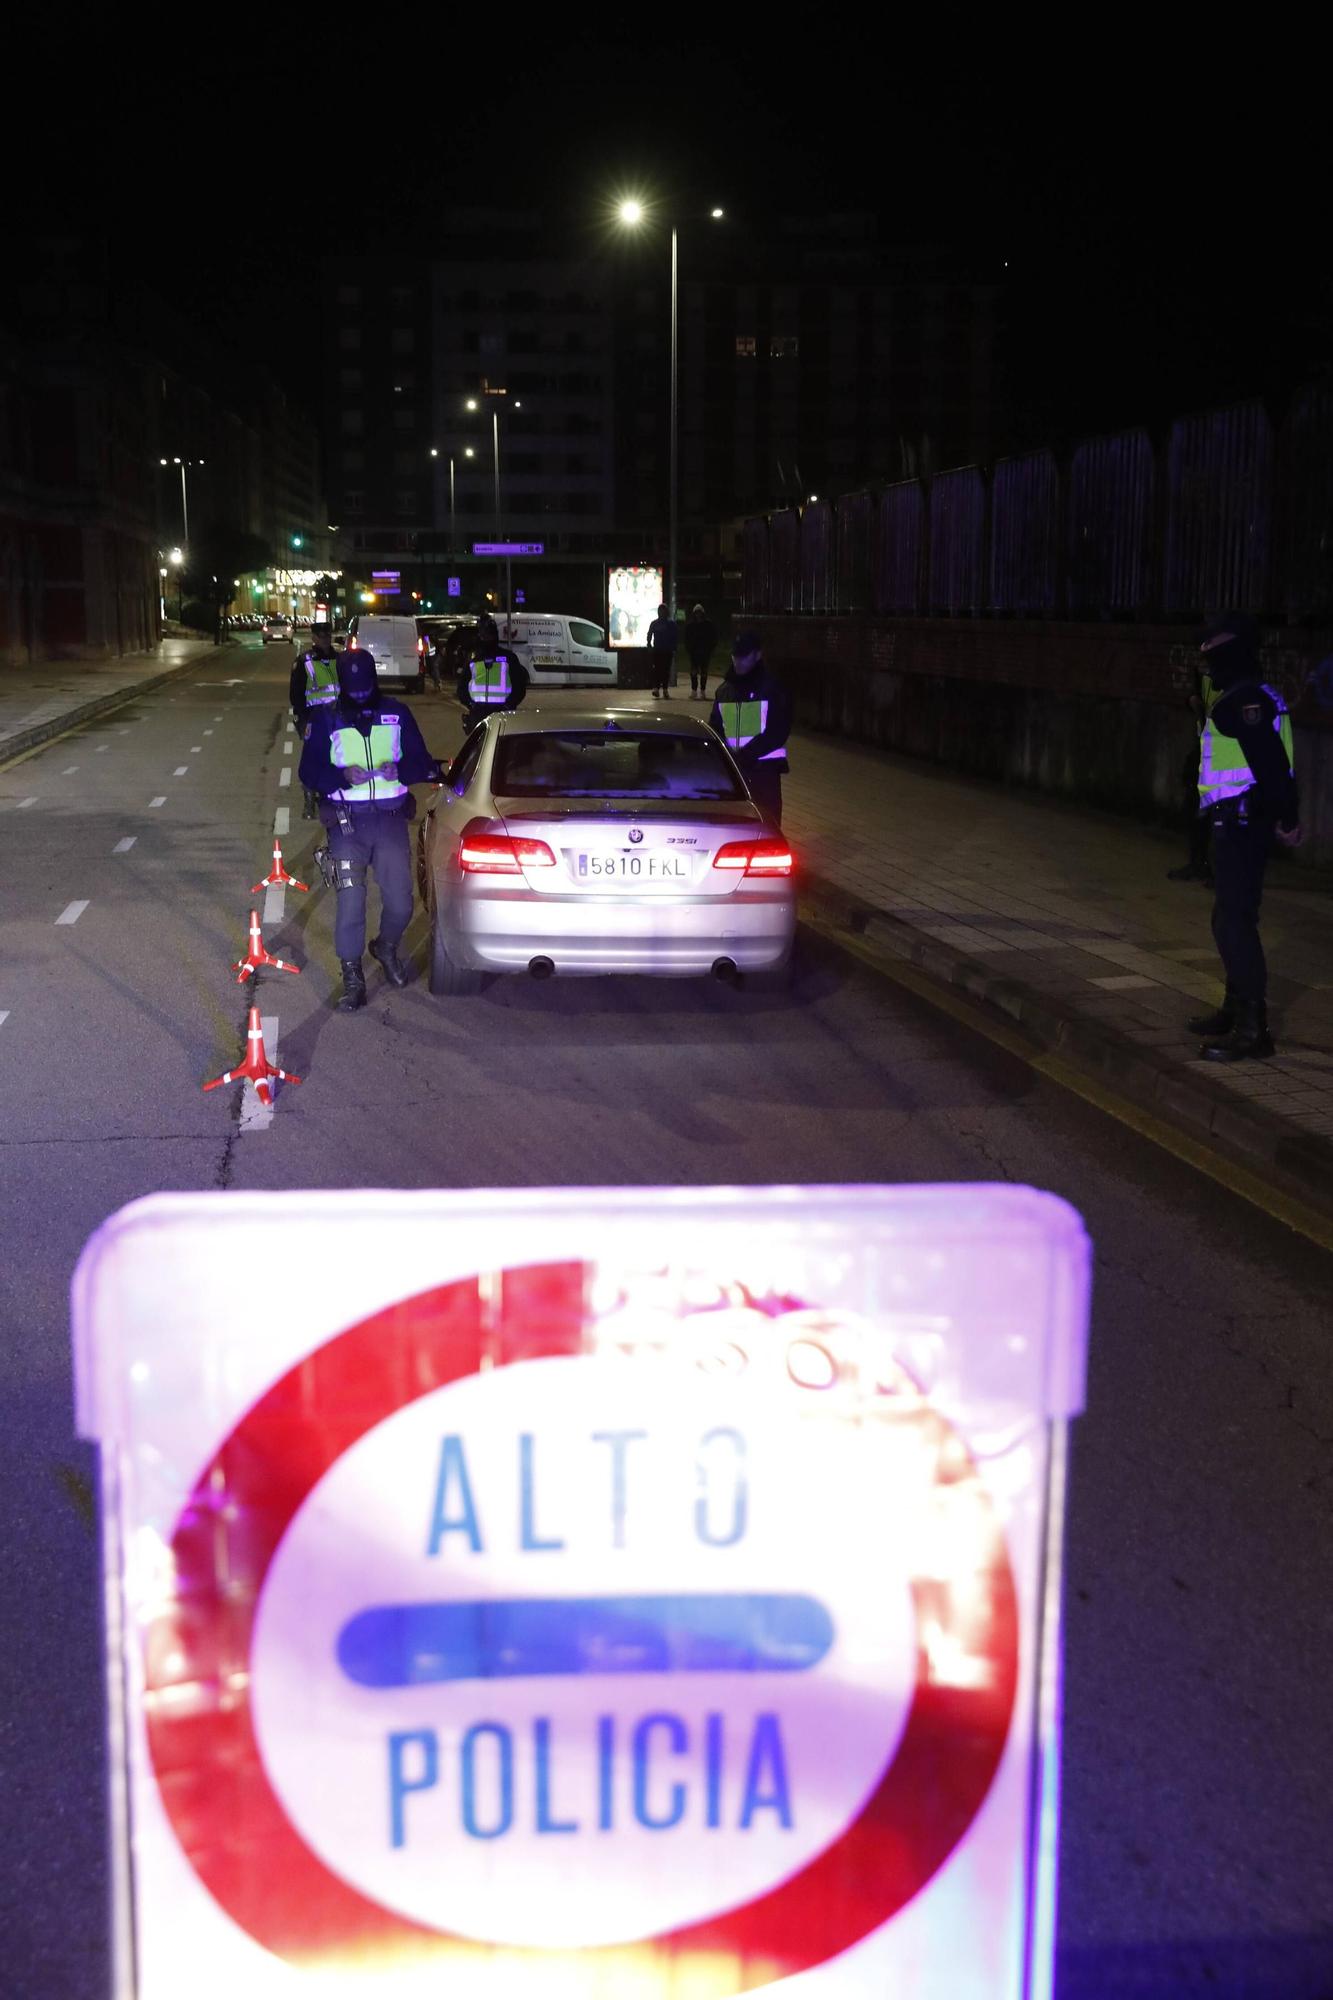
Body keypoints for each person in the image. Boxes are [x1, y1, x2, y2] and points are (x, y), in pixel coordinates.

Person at [298, 645, 443, 1012]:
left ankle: (386, 947)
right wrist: (340, 776)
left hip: (390, 820)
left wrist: (403, 770)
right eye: (354, 690)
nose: (361, 696)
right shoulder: (326, 718)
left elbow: (421, 762)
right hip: (347, 825)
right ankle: (352, 973)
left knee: (400, 902)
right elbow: (308, 772)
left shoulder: (397, 713)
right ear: (344, 686)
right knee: (351, 903)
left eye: (367, 689)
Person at [1184, 613, 1301, 1062]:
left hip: (1243, 822)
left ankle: (1254, 1030)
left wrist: (1287, 817)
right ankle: (1235, 1010)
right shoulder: (1251, 694)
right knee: (1228, 918)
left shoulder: (1244, 700)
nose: (1206, 655)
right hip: (1238, 821)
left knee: (1235, 922)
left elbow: (1272, 765)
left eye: (1212, 647)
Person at [708, 630, 793, 827]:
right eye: (735, 656)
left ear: (757, 655)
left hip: (764, 771)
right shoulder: (724, 690)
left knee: (766, 823)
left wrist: (747, 755)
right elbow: (715, 728)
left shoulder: (772, 689)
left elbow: (777, 730)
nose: (738, 661)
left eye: (744, 656)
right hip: (733, 771)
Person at [1166, 659, 1214, 884]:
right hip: (1204, 752)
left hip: (1217, 759)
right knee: (1194, 811)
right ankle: (1198, 862)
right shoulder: (1210, 679)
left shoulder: (1231, 684)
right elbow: (1194, 700)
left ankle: (1205, 864)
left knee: (1209, 816)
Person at [290, 624, 341, 820]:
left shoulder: (339, 659)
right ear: (314, 638)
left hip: (337, 719)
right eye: (321, 636)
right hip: (314, 719)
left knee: (336, 757)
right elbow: (296, 695)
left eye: (328, 636)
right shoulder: (304, 661)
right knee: (312, 759)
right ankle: (309, 800)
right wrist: (303, 721)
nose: (325, 639)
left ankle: (331, 795)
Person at [454, 612, 529, 732]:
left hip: (502, 716)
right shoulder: (474, 661)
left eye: (488, 635)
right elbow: (461, 688)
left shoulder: (509, 658)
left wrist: (508, 705)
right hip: (478, 716)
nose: (486, 638)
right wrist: (472, 705)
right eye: (484, 635)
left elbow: (519, 687)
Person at [645, 601, 679, 699]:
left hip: (667, 651)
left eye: (663, 611)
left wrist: (674, 648)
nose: (661, 612)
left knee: (666, 671)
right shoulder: (655, 623)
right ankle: (656, 688)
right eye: (660, 611)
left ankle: (665, 689)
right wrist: (649, 644)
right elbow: (649, 634)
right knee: (656, 670)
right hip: (657, 650)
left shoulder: (671, 623)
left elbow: (675, 636)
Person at [684, 603, 717, 699]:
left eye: (699, 613)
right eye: (696, 613)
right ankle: (694, 690)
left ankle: (702, 690)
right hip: (694, 652)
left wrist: (711, 648)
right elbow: (687, 638)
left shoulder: (708, 624)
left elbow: (713, 637)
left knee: (704, 672)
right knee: (693, 672)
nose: (698, 615)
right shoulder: (691, 625)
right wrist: (689, 649)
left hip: (705, 652)